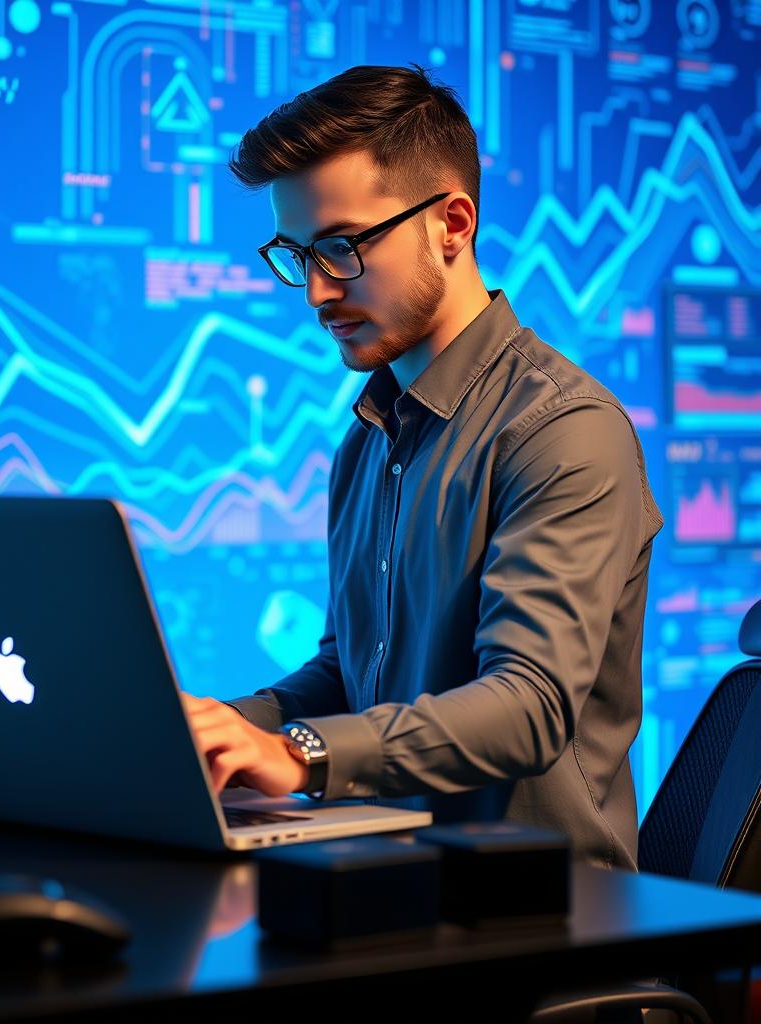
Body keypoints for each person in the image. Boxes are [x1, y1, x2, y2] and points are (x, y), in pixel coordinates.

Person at [180, 63, 662, 869]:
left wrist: (300, 755)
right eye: (299, 255)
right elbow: (350, 675)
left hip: (544, 929)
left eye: (341, 248)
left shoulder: (564, 433)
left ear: (453, 223)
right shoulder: (370, 437)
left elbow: (528, 706)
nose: (317, 293)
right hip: (390, 888)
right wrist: (219, 731)